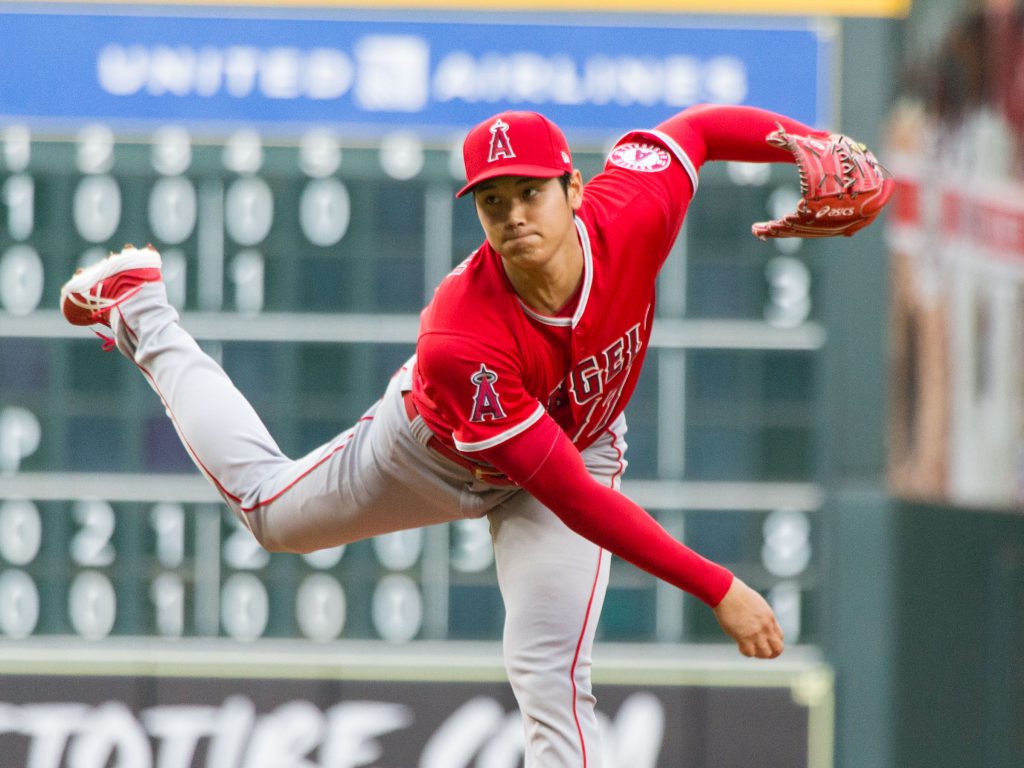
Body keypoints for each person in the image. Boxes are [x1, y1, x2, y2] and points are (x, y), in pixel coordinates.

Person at [60, 104, 886, 767]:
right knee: (271, 515)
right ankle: (144, 311)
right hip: (429, 451)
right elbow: (570, 496)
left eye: (529, 191)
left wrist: (807, 143)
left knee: (553, 682)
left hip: (580, 440)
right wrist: (718, 587)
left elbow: (698, 132)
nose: (513, 213)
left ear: (572, 187)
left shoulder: (636, 208)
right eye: (493, 200)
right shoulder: (464, 340)